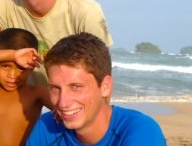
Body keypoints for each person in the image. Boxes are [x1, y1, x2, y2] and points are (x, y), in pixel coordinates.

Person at [26, 33, 166, 145]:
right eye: (55, 88)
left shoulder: (140, 130)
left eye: (76, 87)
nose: (62, 103)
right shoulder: (48, 127)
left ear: (105, 87)